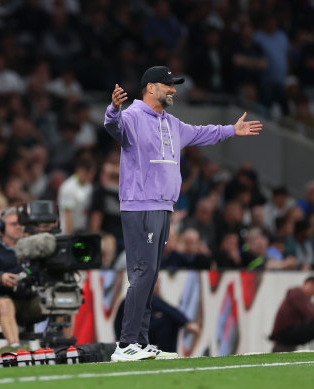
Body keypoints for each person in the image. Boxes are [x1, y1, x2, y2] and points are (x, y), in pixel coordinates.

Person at [104, 65, 263, 361]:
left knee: (150, 277)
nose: (173, 90)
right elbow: (114, 128)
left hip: (164, 207)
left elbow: (202, 133)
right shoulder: (132, 116)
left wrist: (232, 130)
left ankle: (140, 341)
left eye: (174, 85)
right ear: (150, 88)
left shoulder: (171, 123)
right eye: (168, 85)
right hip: (141, 206)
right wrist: (113, 109)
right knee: (143, 273)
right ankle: (125, 344)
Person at [0, 207, 42, 347]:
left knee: (57, 302)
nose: (18, 227)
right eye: (13, 224)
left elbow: (39, 271)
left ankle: (63, 346)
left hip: (27, 298)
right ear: (2, 227)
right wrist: (0, 277)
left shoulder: (32, 249)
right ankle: (15, 347)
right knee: (6, 304)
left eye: (21, 224)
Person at [269, 276, 314, 351]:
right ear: (304, 284)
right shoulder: (297, 293)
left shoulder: (304, 299)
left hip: (285, 336)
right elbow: (310, 314)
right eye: (312, 285)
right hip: (284, 336)